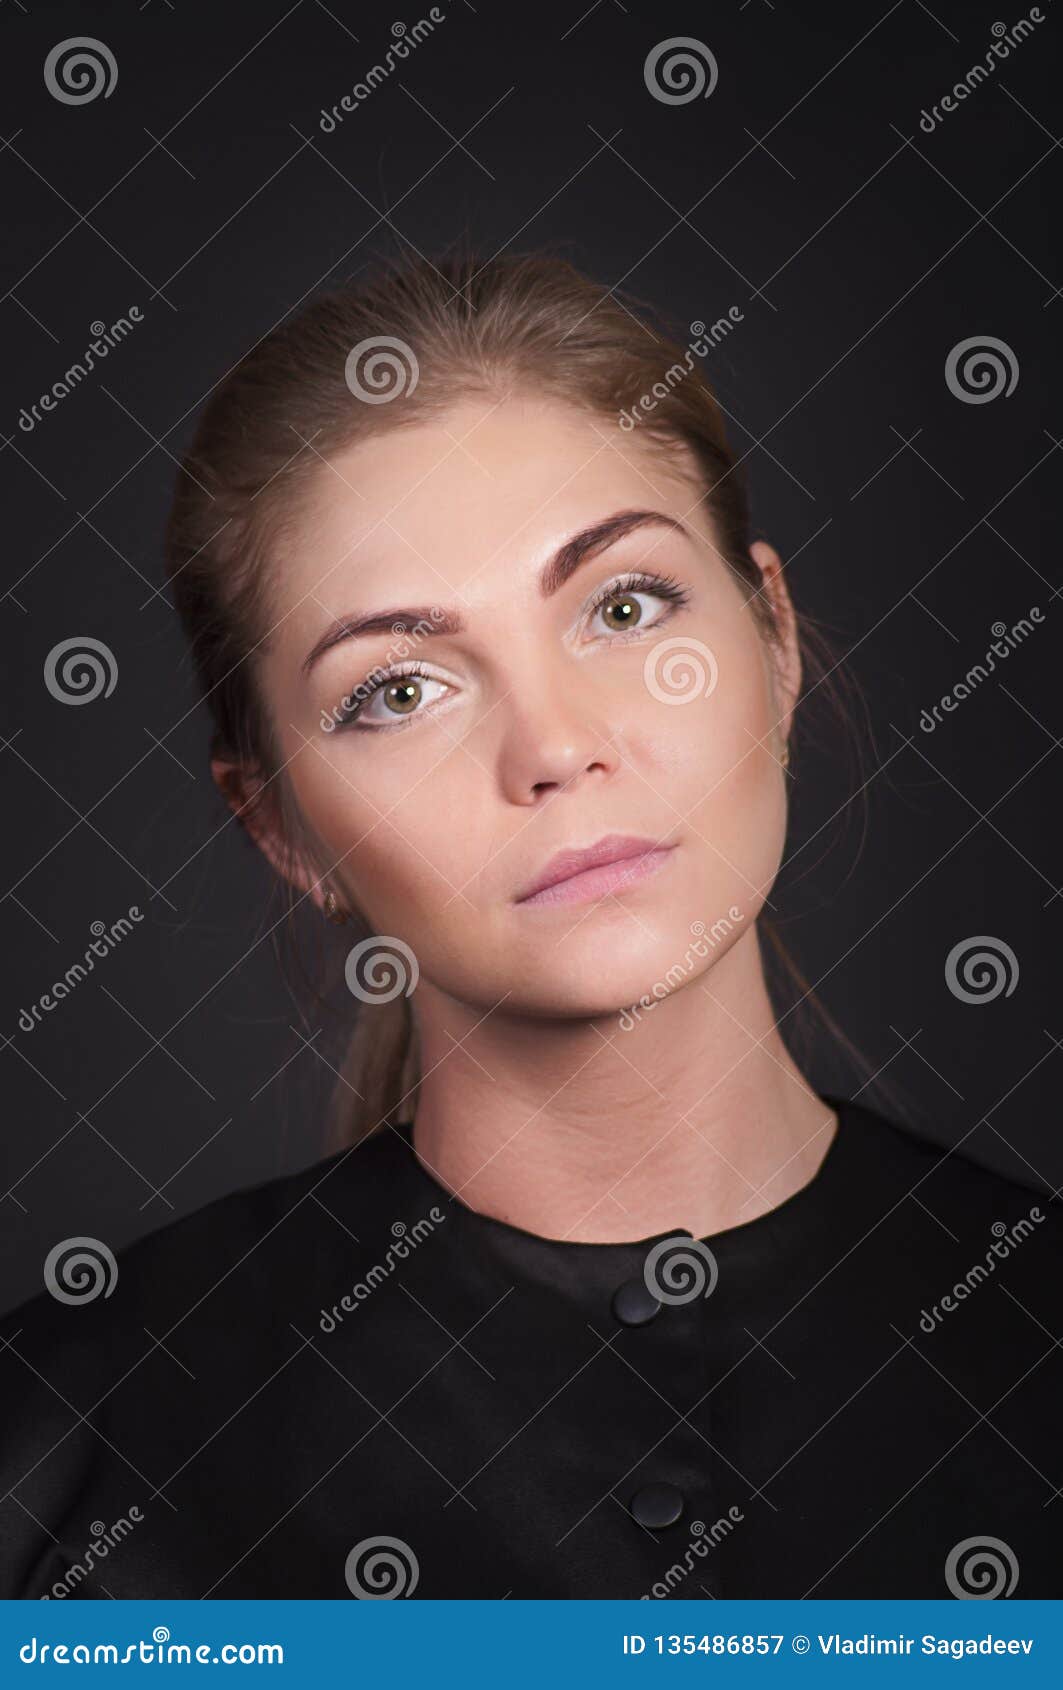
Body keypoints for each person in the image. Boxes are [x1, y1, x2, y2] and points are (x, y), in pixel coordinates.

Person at [1, 250, 1058, 1601]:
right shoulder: (59, 1455)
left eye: (625, 607)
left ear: (774, 639)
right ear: (277, 825)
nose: (554, 746)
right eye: (397, 690)